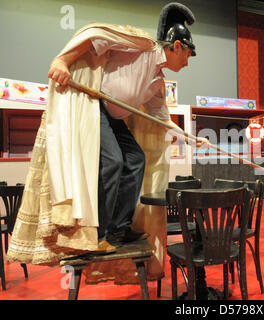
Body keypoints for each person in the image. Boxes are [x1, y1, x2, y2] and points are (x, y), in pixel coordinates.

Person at [7, 2, 205, 266]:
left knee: (135, 160)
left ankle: (118, 227)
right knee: (114, 161)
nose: (188, 63)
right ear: (177, 45)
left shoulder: (158, 83)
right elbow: (96, 37)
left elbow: (163, 120)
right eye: (189, 54)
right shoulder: (142, 45)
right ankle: (96, 234)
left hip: (114, 119)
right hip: (94, 107)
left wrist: (191, 138)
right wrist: (63, 60)